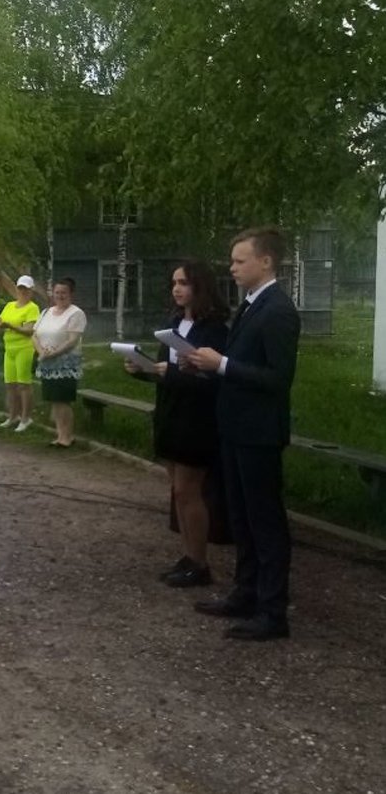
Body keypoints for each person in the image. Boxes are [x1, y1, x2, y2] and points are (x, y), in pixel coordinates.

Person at [187, 228, 300, 641]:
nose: (232, 268)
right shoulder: (252, 305)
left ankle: (272, 611)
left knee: (264, 522)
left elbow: (278, 378)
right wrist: (205, 366)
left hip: (259, 433)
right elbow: (238, 367)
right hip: (235, 428)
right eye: (232, 260)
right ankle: (246, 592)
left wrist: (222, 365)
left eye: (239, 260)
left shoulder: (278, 310)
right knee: (241, 518)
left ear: (265, 261)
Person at [126, 262, 229, 588]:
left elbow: (213, 381)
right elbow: (166, 371)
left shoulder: (214, 330)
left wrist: (169, 372)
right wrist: (141, 369)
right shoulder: (173, 324)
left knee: (188, 490)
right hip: (170, 412)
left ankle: (200, 563)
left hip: (196, 418)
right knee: (177, 491)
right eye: (174, 282)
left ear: (200, 286)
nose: (176, 289)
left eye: (183, 283)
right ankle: (188, 555)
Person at [32, 278, 86, 448]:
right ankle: (59, 435)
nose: (60, 296)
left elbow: (72, 340)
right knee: (53, 400)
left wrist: (54, 353)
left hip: (65, 364)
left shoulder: (76, 313)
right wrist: (41, 352)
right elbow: (34, 335)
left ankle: (67, 437)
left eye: (64, 292)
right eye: (57, 292)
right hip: (47, 363)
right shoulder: (46, 312)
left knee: (63, 400)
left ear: (71, 294)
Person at [0, 275, 41, 433]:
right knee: (10, 384)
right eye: (20, 288)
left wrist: (10, 326)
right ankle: (12, 416)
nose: (23, 292)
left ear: (31, 291)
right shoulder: (9, 305)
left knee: (23, 384)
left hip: (24, 348)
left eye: (26, 289)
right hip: (9, 348)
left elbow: (29, 330)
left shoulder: (32, 308)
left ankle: (25, 418)